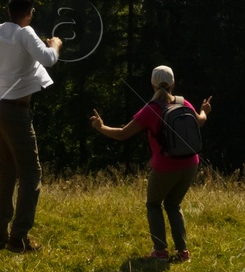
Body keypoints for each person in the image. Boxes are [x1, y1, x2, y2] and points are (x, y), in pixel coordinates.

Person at [0, 0, 62, 253]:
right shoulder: (25, 33)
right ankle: (18, 237)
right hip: (15, 111)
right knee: (31, 174)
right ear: (28, 14)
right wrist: (55, 43)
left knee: (7, 172)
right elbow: (48, 59)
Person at [90, 66, 212, 261]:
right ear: (173, 83)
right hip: (191, 163)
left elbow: (122, 134)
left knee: (154, 204)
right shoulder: (184, 102)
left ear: (152, 85)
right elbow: (201, 121)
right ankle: (183, 252)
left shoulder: (151, 109)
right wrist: (204, 110)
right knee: (173, 204)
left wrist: (101, 127)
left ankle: (160, 251)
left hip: (165, 166)